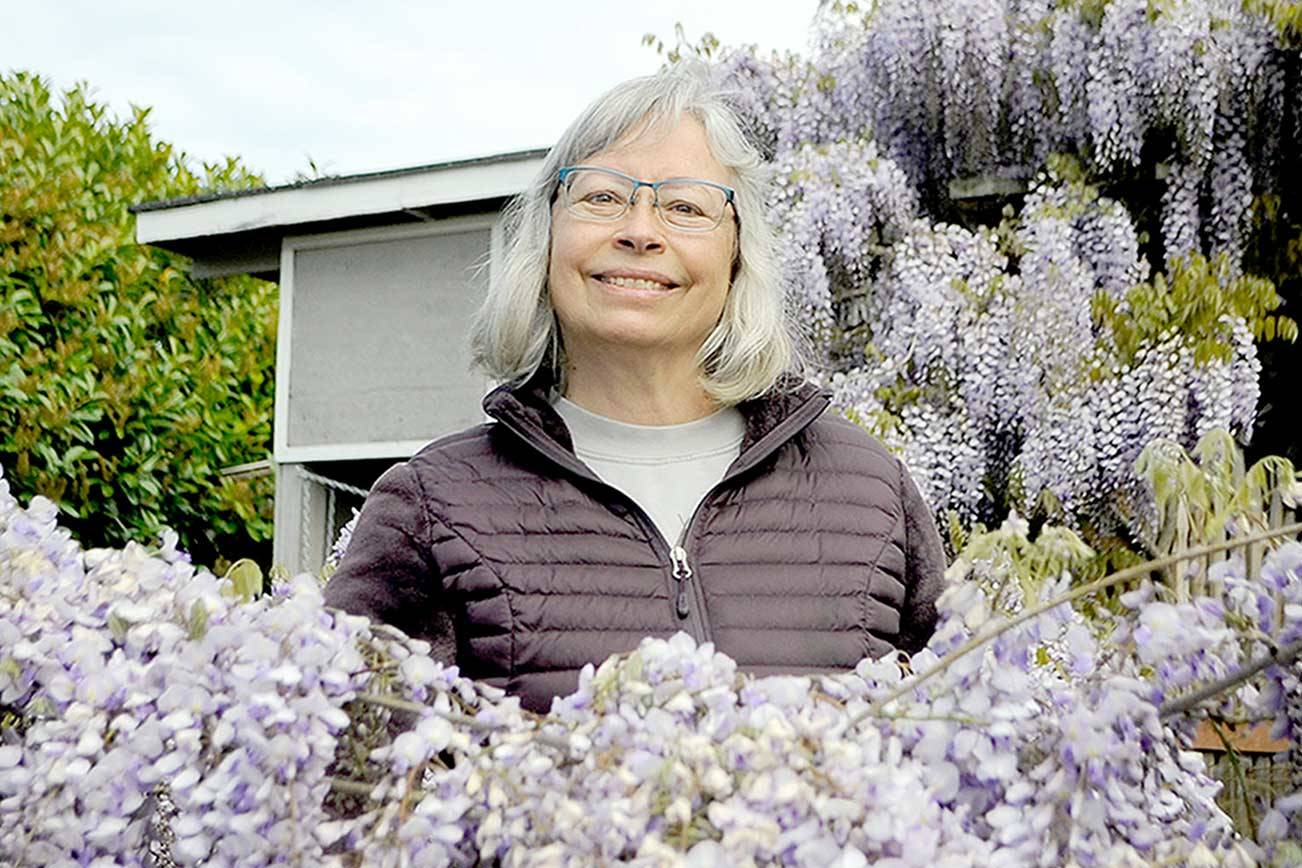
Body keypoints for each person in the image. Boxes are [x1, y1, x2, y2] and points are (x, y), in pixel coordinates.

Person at [323, 63, 946, 713]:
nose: (641, 232)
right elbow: (356, 754)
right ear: (546, 237)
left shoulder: (870, 492)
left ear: (738, 255)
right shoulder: (433, 505)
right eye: (602, 197)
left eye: (685, 207)